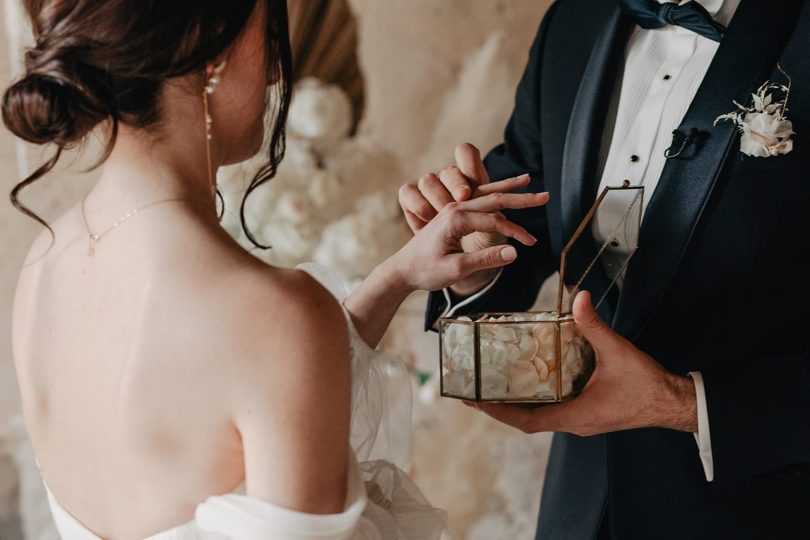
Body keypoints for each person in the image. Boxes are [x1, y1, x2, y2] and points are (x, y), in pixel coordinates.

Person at [3, 1, 549, 538]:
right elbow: (268, 359)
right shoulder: (272, 317)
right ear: (209, 56)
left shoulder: (45, 265)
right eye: (267, 34)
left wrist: (398, 275)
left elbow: (245, 402)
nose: (272, 71)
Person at [400, 0, 810, 538]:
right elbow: (526, 210)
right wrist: (473, 260)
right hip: (578, 501)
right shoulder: (574, 20)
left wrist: (683, 405)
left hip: (767, 506)